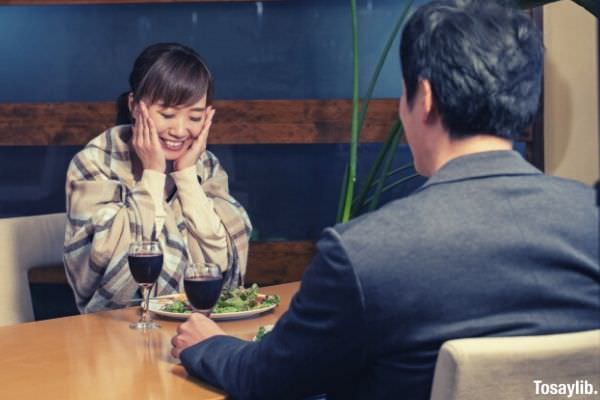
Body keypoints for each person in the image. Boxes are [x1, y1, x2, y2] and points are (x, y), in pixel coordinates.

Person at [170, 1, 600, 399]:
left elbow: (266, 379)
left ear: (425, 99)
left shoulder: (363, 254)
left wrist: (208, 344)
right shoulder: (590, 220)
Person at [64, 43, 252, 313]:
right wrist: (152, 172)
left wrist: (186, 176)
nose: (179, 130)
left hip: (197, 326)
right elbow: (110, 271)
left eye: (195, 117)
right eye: (167, 114)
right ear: (134, 106)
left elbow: (221, 266)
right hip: (112, 332)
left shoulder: (206, 167)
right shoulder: (93, 163)